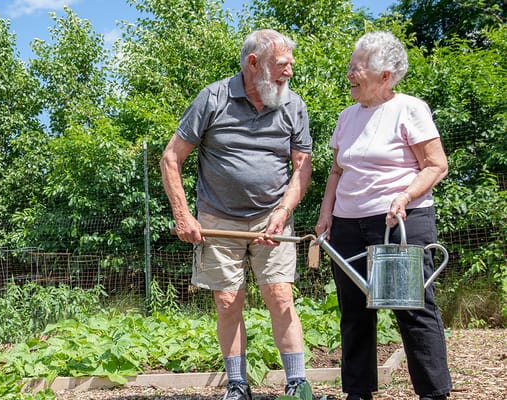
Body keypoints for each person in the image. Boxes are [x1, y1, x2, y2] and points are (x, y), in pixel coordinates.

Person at [160, 29, 313, 400]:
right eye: (282, 65)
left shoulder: (293, 105)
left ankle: (296, 383)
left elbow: (302, 167)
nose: (289, 72)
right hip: (217, 220)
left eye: (291, 64)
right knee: (228, 301)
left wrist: (283, 210)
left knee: (280, 296)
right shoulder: (213, 98)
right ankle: (237, 385)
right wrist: (184, 215)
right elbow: (170, 158)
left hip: (272, 218)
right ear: (253, 63)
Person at [314, 31, 451, 400]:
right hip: (346, 226)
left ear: (385, 75)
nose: (349, 75)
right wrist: (326, 215)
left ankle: (433, 393)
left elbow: (437, 165)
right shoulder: (347, 116)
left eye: (356, 68)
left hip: (397, 223)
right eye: (350, 67)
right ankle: (357, 393)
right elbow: (337, 171)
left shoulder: (409, 109)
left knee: (412, 309)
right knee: (354, 312)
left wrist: (404, 196)